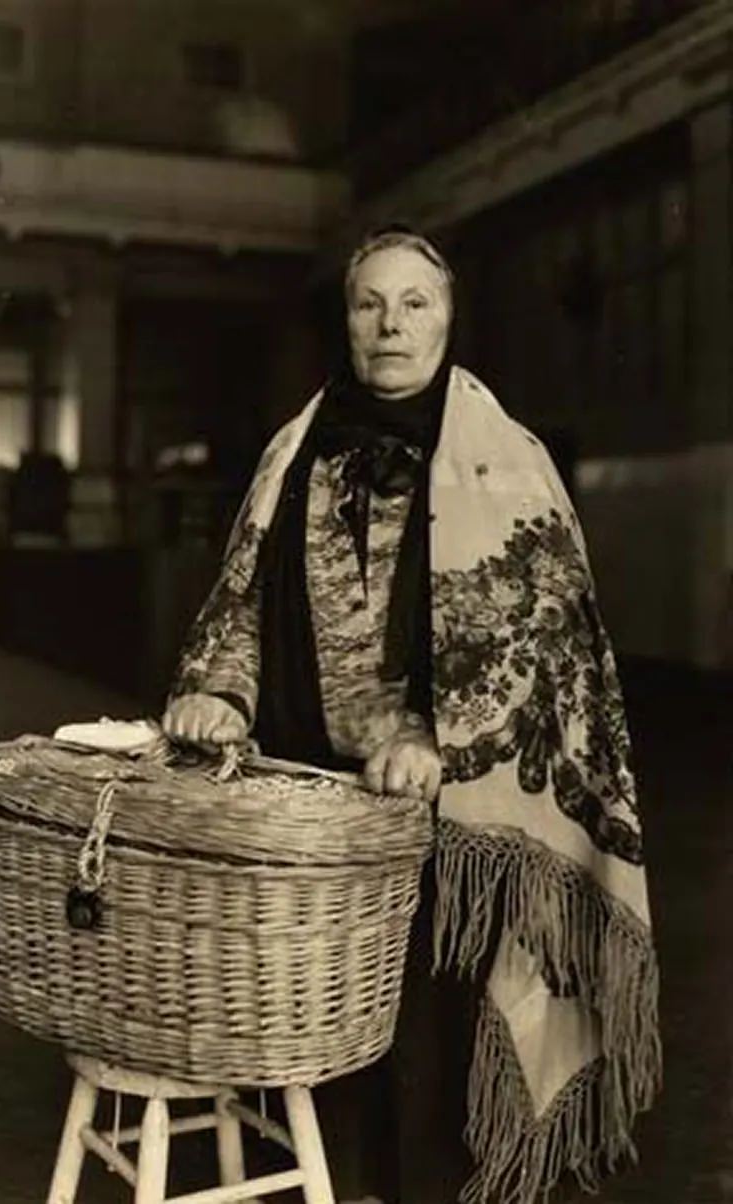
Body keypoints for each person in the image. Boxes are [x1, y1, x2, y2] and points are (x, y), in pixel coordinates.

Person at [163, 228, 661, 1204]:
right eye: (368, 303)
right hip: (309, 803)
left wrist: (440, 742)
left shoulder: (504, 461)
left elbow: (552, 652)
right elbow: (243, 598)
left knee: (424, 1055)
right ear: (344, 319)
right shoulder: (290, 449)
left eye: (413, 303)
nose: (389, 324)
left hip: (445, 812)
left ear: (447, 318)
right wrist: (219, 691)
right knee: (312, 1041)